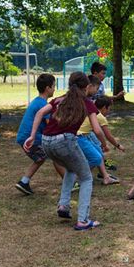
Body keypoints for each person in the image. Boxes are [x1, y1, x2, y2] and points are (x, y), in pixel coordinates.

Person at [23, 71, 100, 231]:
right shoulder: (86, 103)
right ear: (86, 87)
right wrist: (104, 144)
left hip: (46, 141)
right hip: (64, 141)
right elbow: (97, 130)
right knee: (86, 178)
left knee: (71, 169)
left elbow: (39, 113)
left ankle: (64, 206)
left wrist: (32, 136)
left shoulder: (58, 100)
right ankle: (83, 221)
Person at [15, 74, 65, 195]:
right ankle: (70, 182)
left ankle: (24, 182)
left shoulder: (37, 101)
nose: (54, 89)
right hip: (32, 138)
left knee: (40, 159)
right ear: (48, 88)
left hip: (24, 137)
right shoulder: (43, 105)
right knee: (55, 155)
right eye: (53, 86)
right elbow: (50, 124)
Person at [77, 76, 119, 185]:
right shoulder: (96, 113)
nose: (97, 91)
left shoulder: (85, 101)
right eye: (96, 87)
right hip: (80, 136)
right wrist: (105, 144)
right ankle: (80, 178)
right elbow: (99, 132)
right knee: (95, 158)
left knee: (98, 154)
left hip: (83, 135)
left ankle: (105, 177)